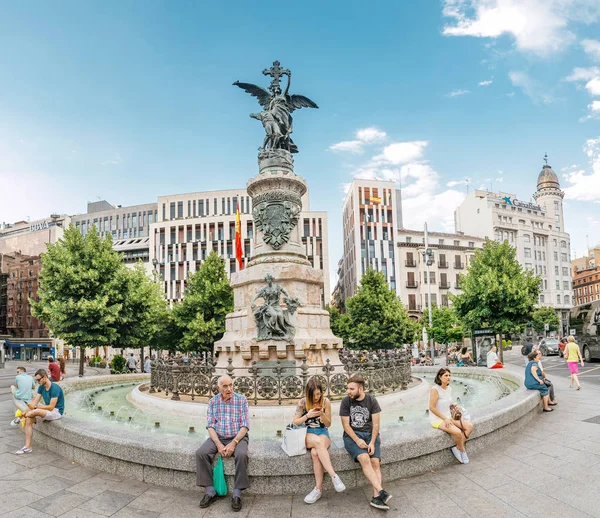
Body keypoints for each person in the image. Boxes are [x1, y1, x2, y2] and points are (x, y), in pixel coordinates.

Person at [196, 375, 249, 512]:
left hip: (238, 437)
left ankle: (237, 493)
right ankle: (210, 491)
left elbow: (245, 426)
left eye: (231, 385)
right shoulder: (213, 402)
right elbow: (210, 426)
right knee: (201, 453)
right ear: (218, 387)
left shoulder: (241, 400)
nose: (229, 389)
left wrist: (234, 442)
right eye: (225, 386)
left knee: (242, 454)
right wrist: (218, 444)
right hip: (218, 436)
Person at [340, 375, 392, 511]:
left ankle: (377, 497)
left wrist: (373, 442)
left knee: (375, 462)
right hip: (352, 436)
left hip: (370, 435)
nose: (348, 391)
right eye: (348, 388)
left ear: (360, 388)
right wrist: (357, 440)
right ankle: (381, 491)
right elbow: (346, 426)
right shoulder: (346, 402)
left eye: (352, 389)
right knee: (364, 458)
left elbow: (376, 425)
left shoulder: (372, 401)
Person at [293, 378, 346, 504]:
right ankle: (334, 476)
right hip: (308, 433)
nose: (317, 397)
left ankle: (318, 489)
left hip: (323, 433)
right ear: (308, 393)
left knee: (315, 453)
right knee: (317, 442)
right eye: (314, 395)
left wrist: (322, 415)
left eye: (319, 394)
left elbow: (328, 424)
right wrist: (307, 416)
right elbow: (295, 422)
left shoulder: (326, 402)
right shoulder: (302, 402)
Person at [15, 369, 65, 455]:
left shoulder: (55, 388)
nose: (37, 382)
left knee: (34, 412)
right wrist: (26, 410)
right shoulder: (41, 387)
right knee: (28, 419)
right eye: (36, 380)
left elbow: (51, 407)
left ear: (45, 377)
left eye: (38, 380)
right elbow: (34, 403)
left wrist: (35, 408)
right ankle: (27, 447)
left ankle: (20, 418)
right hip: (46, 411)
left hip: (56, 412)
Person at [429, 368, 474, 465]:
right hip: (438, 419)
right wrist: (444, 419)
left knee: (469, 426)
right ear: (440, 377)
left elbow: (448, 402)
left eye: (449, 375)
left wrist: (455, 406)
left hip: (449, 417)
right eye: (446, 375)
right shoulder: (435, 390)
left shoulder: (449, 388)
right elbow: (432, 408)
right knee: (457, 432)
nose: (448, 377)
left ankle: (457, 447)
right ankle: (462, 450)